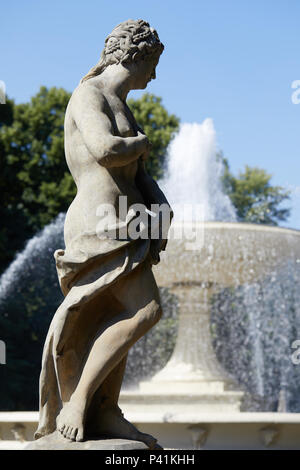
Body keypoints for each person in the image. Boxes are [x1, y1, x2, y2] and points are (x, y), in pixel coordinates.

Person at [35, 19, 172, 449]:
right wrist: (142, 142)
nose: (154, 75)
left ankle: (106, 410)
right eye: (154, 64)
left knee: (110, 315)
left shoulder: (123, 106)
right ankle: (77, 403)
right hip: (98, 222)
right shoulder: (87, 95)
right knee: (145, 310)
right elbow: (106, 150)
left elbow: (140, 176)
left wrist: (161, 209)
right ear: (138, 55)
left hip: (130, 223)